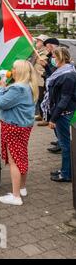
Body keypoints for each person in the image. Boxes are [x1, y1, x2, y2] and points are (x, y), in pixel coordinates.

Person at [0, 60, 38, 206]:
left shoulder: (17, 89)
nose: (11, 70)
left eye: (14, 68)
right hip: (24, 127)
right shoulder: (29, 86)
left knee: (14, 160)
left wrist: (1, 88)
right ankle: (22, 188)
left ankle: (15, 196)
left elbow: (0, 103)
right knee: (22, 156)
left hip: (13, 127)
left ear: (19, 71)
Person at [43, 47, 76, 183]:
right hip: (62, 112)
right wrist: (46, 67)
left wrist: (54, 118)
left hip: (64, 113)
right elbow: (56, 83)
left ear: (61, 58)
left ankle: (67, 174)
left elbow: (64, 99)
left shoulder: (68, 75)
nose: (53, 59)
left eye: (55, 57)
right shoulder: (65, 71)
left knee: (65, 145)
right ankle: (65, 169)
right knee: (65, 144)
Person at [42, 38, 63, 154]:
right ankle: (59, 140)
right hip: (51, 92)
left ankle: (61, 142)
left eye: (47, 46)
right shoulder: (51, 57)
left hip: (56, 96)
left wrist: (46, 67)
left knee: (56, 118)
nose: (46, 48)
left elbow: (54, 75)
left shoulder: (59, 60)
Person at [31, 35, 49, 125]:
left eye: (38, 40)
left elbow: (45, 65)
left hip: (42, 79)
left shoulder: (46, 53)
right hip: (36, 79)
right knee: (38, 98)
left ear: (43, 43)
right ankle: (41, 115)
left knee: (43, 99)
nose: (36, 42)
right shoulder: (37, 51)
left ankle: (46, 119)